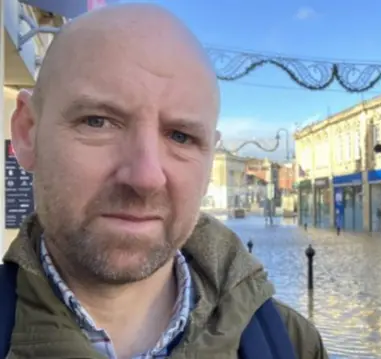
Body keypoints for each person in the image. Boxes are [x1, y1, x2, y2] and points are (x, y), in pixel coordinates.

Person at [1, 3, 328, 358]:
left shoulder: (291, 344)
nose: (145, 177)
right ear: (27, 134)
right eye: (97, 121)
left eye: (181, 137)